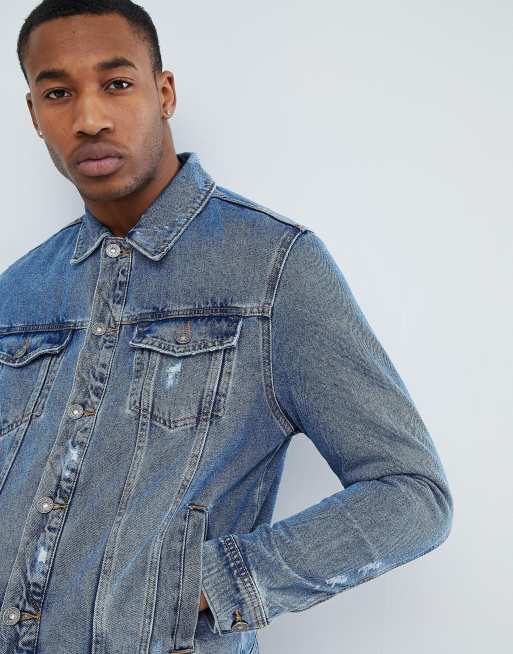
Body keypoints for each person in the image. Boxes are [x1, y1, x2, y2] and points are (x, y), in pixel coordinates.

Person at [0, 1, 453, 653]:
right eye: (58, 93)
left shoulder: (274, 267)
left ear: (164, 93)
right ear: (34, 114)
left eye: (117, 83)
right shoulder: (19, 290)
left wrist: (205, 586)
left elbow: (411, 496)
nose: (89, 118)